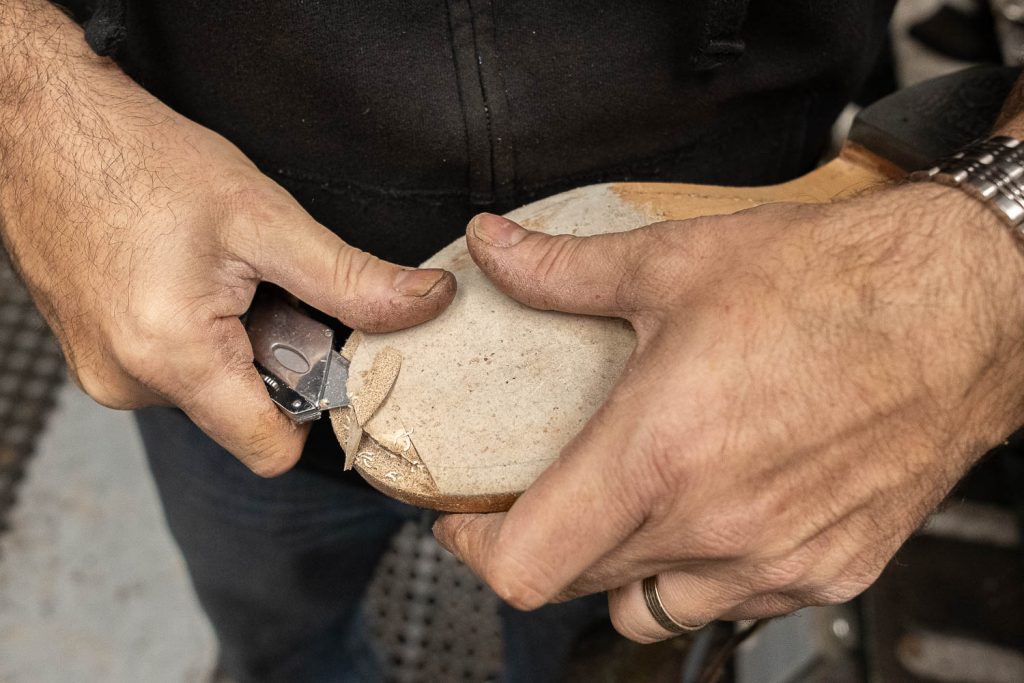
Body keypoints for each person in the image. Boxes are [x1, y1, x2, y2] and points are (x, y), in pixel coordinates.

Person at [2, 0, 1022, 679]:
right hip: (217, 325)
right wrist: (28, 97)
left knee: (602, 654)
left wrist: (983, 269)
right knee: (274, 633)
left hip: (720, 347)